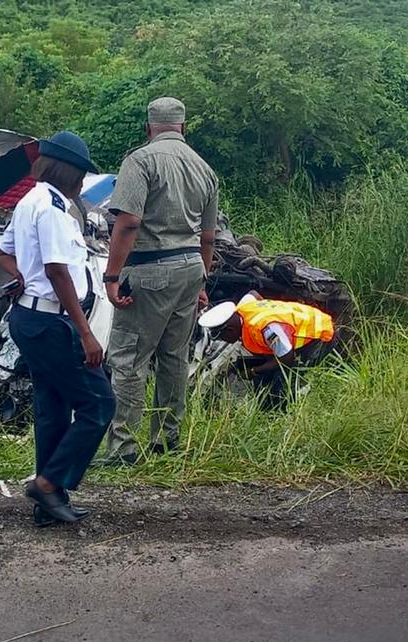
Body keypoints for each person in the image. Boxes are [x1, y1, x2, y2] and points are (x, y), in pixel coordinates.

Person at [0, 131, 115, 526]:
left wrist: (20, 278)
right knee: (99, 404)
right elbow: (57, 270)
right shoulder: (50, 208)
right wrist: (85, 333)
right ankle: (48, 484)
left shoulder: (30, 201)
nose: (83, 181)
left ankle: (49, 503)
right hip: (50, 321)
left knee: (54, 410)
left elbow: (3, 253)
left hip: (31, 317)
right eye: (80, 173)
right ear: (67, 172)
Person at [100, 97, 220, 466]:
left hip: (150, 268)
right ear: (183, 127)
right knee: (173, 358)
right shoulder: (204, 169)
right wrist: (202, 281)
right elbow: (209, 237)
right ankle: (167, 442)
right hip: (189, 268)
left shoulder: (140, 160)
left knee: (129, 358)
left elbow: (129, 222)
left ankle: (124, 448)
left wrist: (112, 275)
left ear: (149, 126)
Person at [198, 293, 336, 410]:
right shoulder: (244, 307)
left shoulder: (267, 329)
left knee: (282, 386)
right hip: (301, 327)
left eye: (223, 337)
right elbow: (253, 294)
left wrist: (254, 371)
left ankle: (285, 411)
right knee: (266, 375)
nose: (226, 341)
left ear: (230, 330)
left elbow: (287, 358)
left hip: (319, 335)